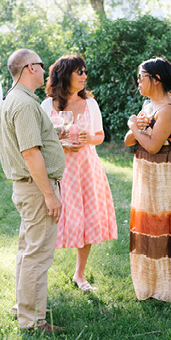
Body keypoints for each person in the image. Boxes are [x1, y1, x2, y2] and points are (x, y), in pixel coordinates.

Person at [0, 49, 65, 335]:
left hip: (27, 188)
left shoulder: (15, 99)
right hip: (36, 189)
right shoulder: (23, 104)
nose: (44, 68)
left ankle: (25, 310)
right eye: (40, 65)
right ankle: (34, 322)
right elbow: (30, 153)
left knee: (28, 252)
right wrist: (50, 194)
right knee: (37, 255)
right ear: (28, 68)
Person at [41, 55, 117, 292]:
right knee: (49, 221)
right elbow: (42, 140)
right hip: (59, 170)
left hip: (85, 169)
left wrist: (87, 138)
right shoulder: (47, 106)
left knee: (85, 219)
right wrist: (62, 144)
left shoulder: (90, 104)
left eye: (85, 72)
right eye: (79, 72)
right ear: (65, 75)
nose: (85, 76)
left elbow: (99, 136)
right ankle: (38, 273)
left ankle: (79, 274)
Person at [125, 57, 171, 302]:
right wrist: (136, 127)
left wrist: (135, 126)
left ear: (156, 80)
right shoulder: (148, 105)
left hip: (162, 172)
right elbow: (128, 141)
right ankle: (149, 284)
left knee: (162, 225)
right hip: (146, 172)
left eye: (141, 77)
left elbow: (153, 146)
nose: (138, 82)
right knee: (148, 224)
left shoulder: (167, 111)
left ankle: (167, 287)